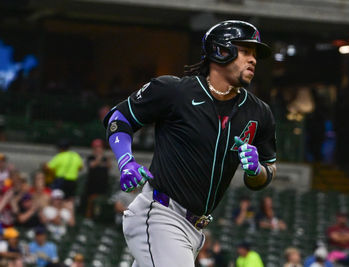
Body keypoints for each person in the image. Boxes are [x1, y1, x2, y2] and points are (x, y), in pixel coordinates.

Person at [103, 20, 277, 267]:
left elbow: (269, 171)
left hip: (195, 230)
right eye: (246, 51)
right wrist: (125, 160)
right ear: (221, 50)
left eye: (255, 54)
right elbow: (119, 118)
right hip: (160, 214)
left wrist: (256, 170)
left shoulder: (259, 113)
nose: (253, 60)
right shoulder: (176, 91)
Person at [84, 139, 111, 218]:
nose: (98, 150)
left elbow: (109, 167)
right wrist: (99, 157)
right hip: (92, 185)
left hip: (103, 185)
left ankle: (99, 218)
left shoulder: (105, 158)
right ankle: (88, 219)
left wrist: (106, 159)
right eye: (96, 148)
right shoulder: (90, 157)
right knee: (90, 203)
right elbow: (92, 165)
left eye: (100, 148)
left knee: (100, 205)